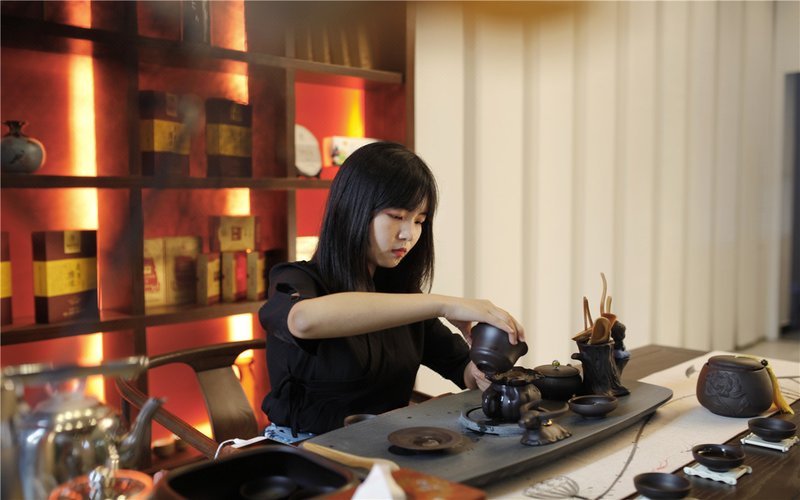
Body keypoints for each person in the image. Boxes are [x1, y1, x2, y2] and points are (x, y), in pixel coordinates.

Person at [259, 141, 525, 442]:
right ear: (353, 210)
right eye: (397, 216)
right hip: (305, 450)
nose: (409, 234)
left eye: (419, 221)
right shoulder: (297, 279)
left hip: (383, 449)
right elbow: (303, 321)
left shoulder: (401, 297)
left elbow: (462, 369)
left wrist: (483, 368)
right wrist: (444, 304)